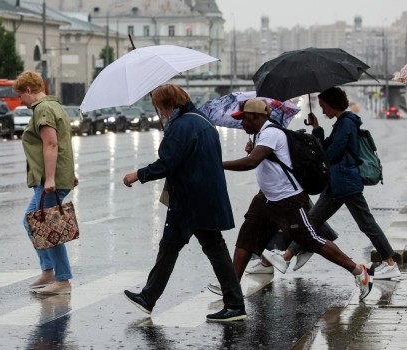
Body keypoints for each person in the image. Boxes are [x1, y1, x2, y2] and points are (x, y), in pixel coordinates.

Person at [221, 98, 374, 301]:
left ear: (257, 116)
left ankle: (358, 271)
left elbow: (252, 162)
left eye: (245, 118)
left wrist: (217, 164)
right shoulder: (261, 134)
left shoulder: (271, 133)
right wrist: (254, 148)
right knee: (246, 239)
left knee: (312, 240)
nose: (242, 123)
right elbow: (264, 159)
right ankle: (232, 291)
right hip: (266, 199)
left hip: (288, 199)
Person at [122, 84, 246, 322]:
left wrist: (138, 174)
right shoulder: (201, 121)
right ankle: (150, 297)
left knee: (182, 248)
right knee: (193, 248)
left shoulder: (182, 125)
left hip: (189, 199)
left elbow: (168, 162)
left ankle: (234, 304)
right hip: (203, 196)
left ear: (169, 104)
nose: (161, 112)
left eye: (160, 107)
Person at [262, 87, 400, 280]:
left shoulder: (347, 122)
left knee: (366, 224)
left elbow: (331, 152)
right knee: (311, 221)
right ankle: (286, 257)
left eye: (323, 106)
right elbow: (326, 147)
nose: (323, 110)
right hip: (337, 184)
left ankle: (390, 263)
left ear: (332, 104)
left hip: (345, 182)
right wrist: (317, 129)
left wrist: (315, 159)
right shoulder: (341, 123)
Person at [14, 71, 78, 295]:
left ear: (29, 90)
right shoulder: (55, 106)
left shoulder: (42, 109)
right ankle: (49, 271)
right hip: (57, 176)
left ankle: (62, 279)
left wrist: (51, 177)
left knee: (46, 226)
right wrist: (68, 173)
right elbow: (63, 141)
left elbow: (51, 144)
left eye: (20, 95)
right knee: (39, 223)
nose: (20, 100)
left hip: (49, 179)